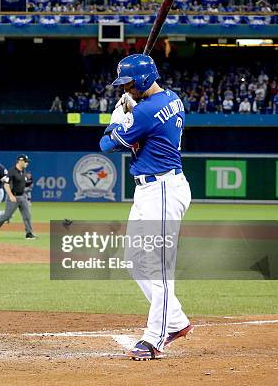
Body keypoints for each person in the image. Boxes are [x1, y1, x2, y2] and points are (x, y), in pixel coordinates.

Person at [100, 54, 192, 361]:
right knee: (134, 260)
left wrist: (116, 116)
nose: (124, 88)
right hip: (150, 189)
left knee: (157, 266)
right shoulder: (172, 98)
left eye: (127, 82)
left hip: (163, 189)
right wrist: (131, 108)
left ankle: (155, 338)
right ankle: (176, 321)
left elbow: (106, 145)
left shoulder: (146, 111)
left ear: (141, 79)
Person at [0, 154, 36, 240]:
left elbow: (22, 183)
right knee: (7, 216)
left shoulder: (23, 171)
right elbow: (6, 185)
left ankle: (29, 233)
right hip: (13, 197)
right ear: (20, 161)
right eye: (25, 162)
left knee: (27, 216)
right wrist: (11, 196)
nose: (27, 163)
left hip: (22, 196)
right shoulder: (12, 171)